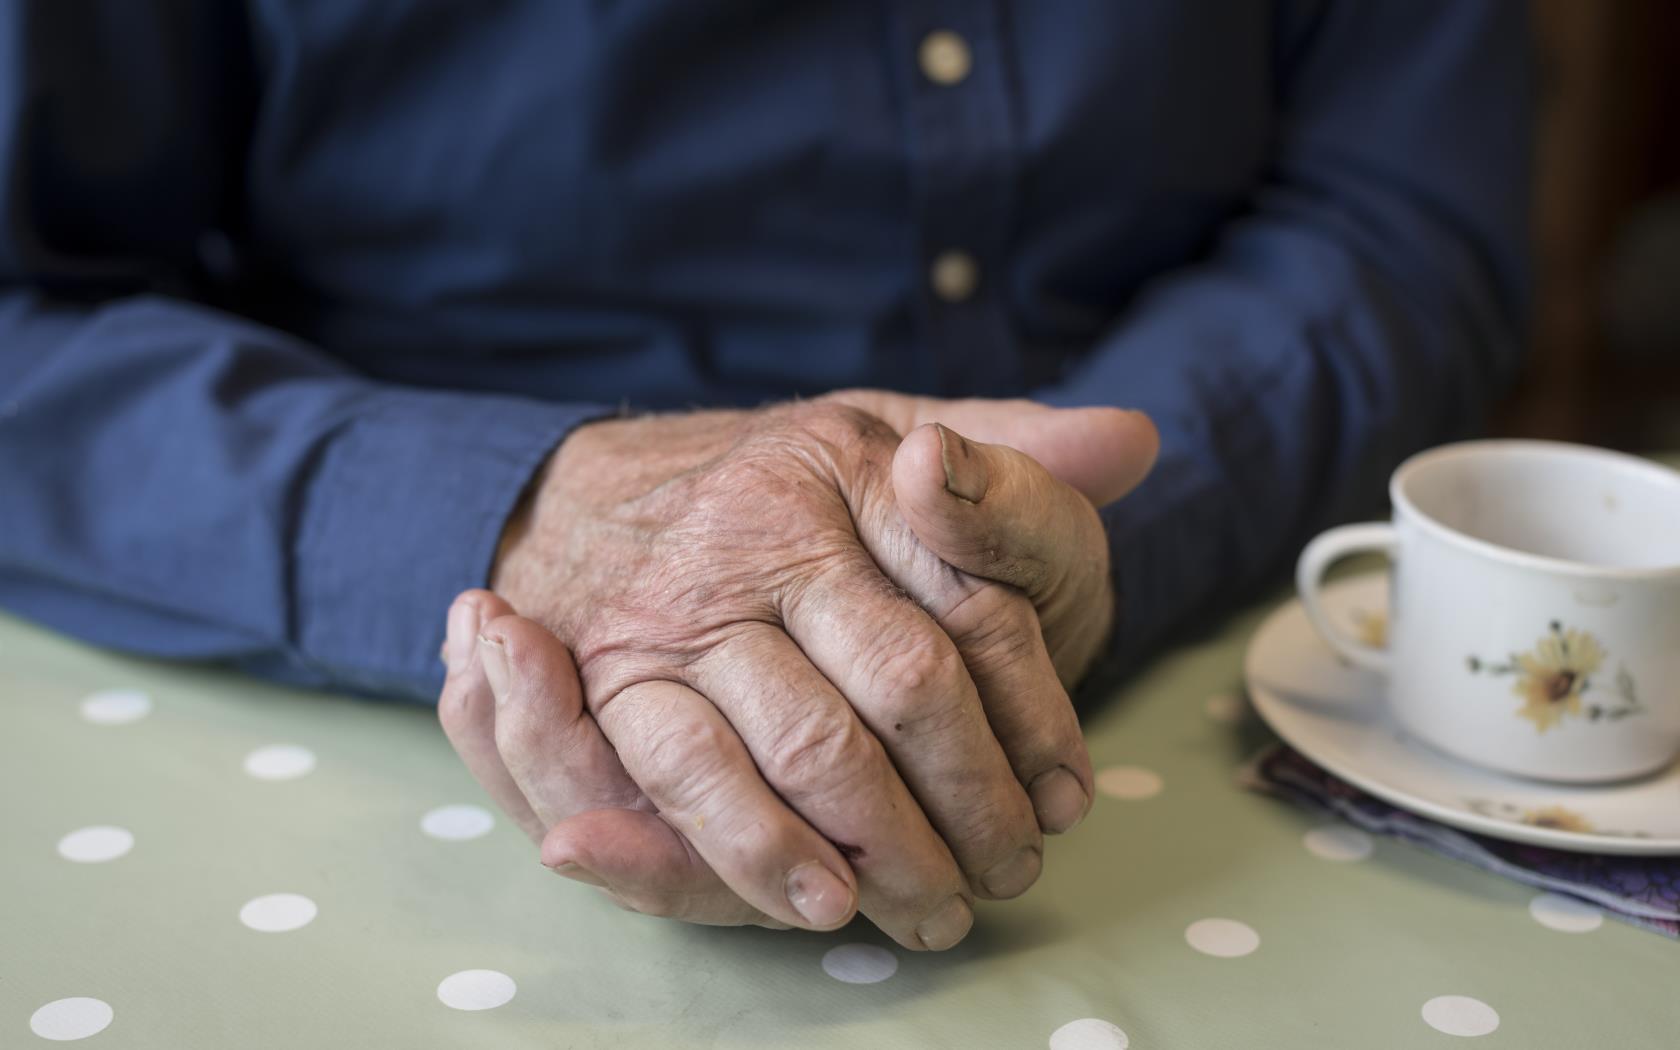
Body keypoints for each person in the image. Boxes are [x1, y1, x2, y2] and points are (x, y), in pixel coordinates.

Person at [0, 2, 1531, 950]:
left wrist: (1020, 530)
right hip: (378, 728)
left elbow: (1396, 212)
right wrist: (529, 514)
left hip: (1149, 668)